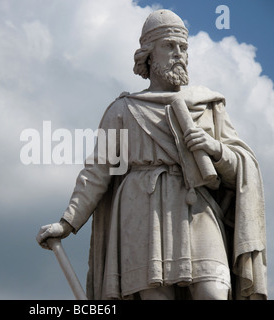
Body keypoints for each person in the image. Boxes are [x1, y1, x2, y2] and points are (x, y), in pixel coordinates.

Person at [36, 9, 267, 300]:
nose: (179, 54)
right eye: (169, 46)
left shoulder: (208, 106)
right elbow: (97, 172)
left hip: (196, 207)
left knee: (214, 291)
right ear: (148, 54)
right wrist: (67, 223)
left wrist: (215, 148)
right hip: (142, 214)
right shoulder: (124, 110)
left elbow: (242, 170)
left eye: (183, 47)